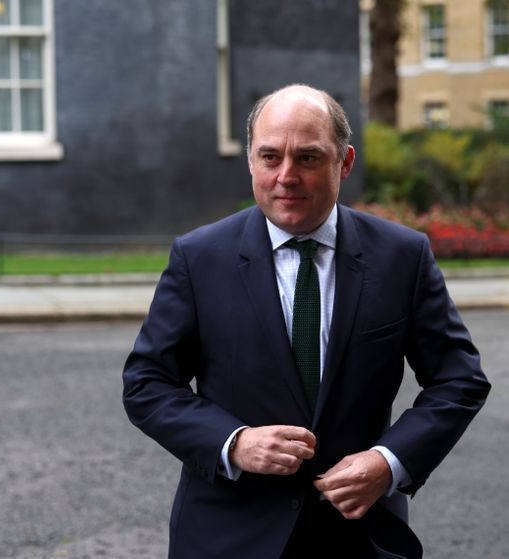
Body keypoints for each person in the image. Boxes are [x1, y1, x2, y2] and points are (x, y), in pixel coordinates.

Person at [122, 83, 490, 558]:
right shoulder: (199, 258)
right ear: (251, 161)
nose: (286, 176)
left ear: (345, 162)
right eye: (270, 157)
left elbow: (459, 379)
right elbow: (147, 383)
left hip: (359, 535)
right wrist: (233, 443)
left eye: (309, 158)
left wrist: (388, 462)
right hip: (228, 535)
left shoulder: (402, 256)